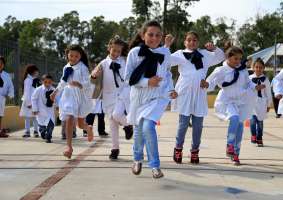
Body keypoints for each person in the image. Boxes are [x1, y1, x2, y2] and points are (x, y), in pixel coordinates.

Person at [125, 21, 177, 178]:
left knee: (148, 127)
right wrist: (147, 82)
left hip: (157, 98)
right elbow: (128, 78)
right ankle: (137, 158)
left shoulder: (165, 53)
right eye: (150, 34)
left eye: (158, 35)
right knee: (139, 132)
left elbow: (167, 74)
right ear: (143, 35)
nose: (154, 38)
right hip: (139, 99)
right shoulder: (135, 53)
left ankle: (155, 166)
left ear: (161, 37)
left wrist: (171, 89)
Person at [165, 32, 225, 164]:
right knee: (183, 124)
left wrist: (214, 48)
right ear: (185, 42)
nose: (192, 42)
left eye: (195, 40)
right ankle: (178, 149)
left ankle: (194, 152)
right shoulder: (180, 54)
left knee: (198, 126)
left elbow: (221, 57)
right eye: (189, 40)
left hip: (199, 93)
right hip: (185, 93)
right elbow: (165, 60)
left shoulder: (204, 54)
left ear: (198, 42)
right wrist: (167, 45)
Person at [206, 46, 264, 165]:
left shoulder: (242, 70)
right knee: (234, 118)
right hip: (227, 101)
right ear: (228, 57)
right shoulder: (220, 70)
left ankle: (236, 154)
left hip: (241, 101)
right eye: (235, 59)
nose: (238, 61)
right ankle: (230, 145)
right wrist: (205, 84)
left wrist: (255, 87)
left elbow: (248, 83)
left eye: (239, 59)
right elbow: (210, 81)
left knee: (240, 127)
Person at [91, 36, 132, 160]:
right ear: (109, 48)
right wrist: (94, 75)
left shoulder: (124, 62)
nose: (116, 53)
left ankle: (128, 125)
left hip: (122, 93)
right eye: (114, 50)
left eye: (118, 51)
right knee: (112, 123)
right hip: (108, 96)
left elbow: (129, 76)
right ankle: (115, 149)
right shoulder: (103, 64)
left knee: (117, 115)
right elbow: (92, 78)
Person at [50, 44, 94, 159]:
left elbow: (88, 83)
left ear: (80, 56)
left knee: (80, 124)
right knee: (69, 118)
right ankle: (69, 147)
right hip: (69, 95)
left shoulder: (83, 68)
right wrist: (55, 92)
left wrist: (79, 84)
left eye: (76, 56)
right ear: (67, 55)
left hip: (80, 95)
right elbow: (63, 82)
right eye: (71, 55)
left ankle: (88, 128)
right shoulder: (66, 67)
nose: (73, 58)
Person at [249, 58, 272, 147]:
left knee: (260, 122)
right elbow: (246, 90)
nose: (258, 69)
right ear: (253, 68)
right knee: (252, 121)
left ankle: (259, 138)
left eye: (260, 67)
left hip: (262, 103)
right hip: (252, 102)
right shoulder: (249, 78)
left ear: (263, 68)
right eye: (257, 67)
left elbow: (268, 93)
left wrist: (269, 104)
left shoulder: (265, 80)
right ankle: (253, 135)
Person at [31, 74, 55, 143]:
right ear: (42, 82)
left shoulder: (53, 89)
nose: (47, 84)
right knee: (42, 125)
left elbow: (58, 98)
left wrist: (58, 106)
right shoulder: (38, 90)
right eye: (45, 82)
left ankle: (48, 137)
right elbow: (33, 99)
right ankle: (42, 132)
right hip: (40, 111)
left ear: (52, 82)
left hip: (49, 111)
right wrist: (35, 109)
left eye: (49, 82)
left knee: (51, 124)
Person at [19, 64, 41, 138]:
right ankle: (27, 131)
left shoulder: (34, 80)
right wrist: (29, 103)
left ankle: (36, 131)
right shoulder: (28, 80)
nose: (38, 73)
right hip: (28, 102)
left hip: (34, 102)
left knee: (35, 117)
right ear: (33, 72)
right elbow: (27, 92)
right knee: (27, 117)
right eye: (37, 71)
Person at [0, 56, 14, 138]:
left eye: (1, 63)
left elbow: (11, 87)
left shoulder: (6, 75)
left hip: (1, 98)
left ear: (4, 65)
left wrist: (9, 95)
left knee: (0, 115)